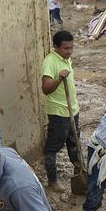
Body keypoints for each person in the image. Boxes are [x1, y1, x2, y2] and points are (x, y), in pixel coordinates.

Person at [40, 30, 84, 189]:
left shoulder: (66, 59)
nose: (70, 51)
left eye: (72, 48)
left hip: (72, 110)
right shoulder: (50, 62)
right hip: (59, 113)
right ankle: (52, 181)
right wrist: (59, 78)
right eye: (66, 48)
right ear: (56, 47)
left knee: (75, 143)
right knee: (52, 147)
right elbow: (45, 88)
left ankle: (80, 172)